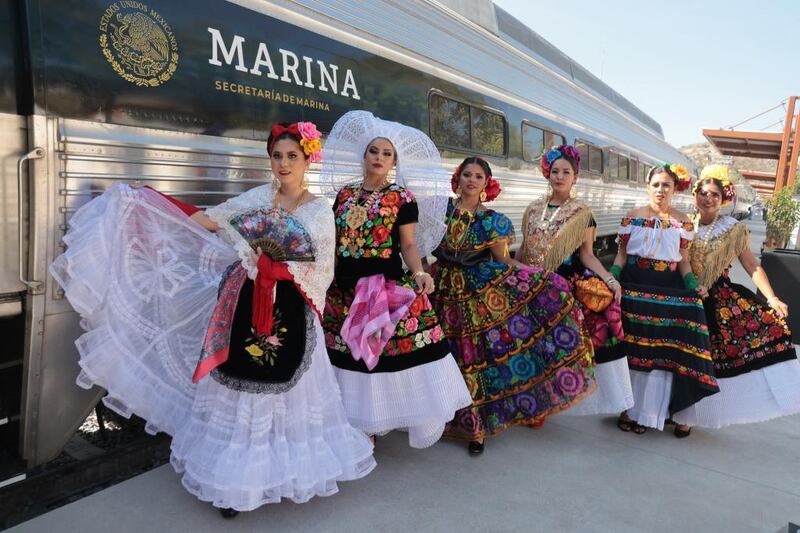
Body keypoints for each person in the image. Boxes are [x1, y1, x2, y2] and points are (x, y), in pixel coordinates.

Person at [50, 122, 375, 517]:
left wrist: (278, 268)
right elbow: (210, 219)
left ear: (308, 159)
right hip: (245, 302)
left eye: (292, 156)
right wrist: (150, 207)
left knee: (285, 392)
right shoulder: (260, 196)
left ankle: (283, 471)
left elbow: (321, 265)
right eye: (277, 156)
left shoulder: (318, 209)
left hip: (291, 308)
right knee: (241, 385)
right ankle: (238, 482)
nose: (284, 164)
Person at [321, 110, 472, 448]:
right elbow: (333, 240)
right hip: (343, 288)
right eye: (374, 151)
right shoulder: (344, 195)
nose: (379, 158)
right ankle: (354, 422)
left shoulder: (402, 198)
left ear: (394, 161)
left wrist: (418, 271)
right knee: (346, 359)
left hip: (380, 287)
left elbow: (407, 244)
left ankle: (371, 426)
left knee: (374, 359)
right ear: (364, 154)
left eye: (387, 154)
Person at [429, 156, 595, 454]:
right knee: (438, 354)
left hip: (472, 294)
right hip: (439, 288)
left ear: (486, 183)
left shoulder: (493, 220)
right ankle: (434, 417)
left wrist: (541, 277)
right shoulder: (439, 210)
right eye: (467, 174)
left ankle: (475, 429)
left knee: (470, 359)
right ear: (458, 177)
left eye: (478, 176)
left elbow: (503, 260)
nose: (471, 180)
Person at [671, 165, 800, 430]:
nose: (708, 198)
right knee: (674, 353)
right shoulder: (682, 222)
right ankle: (667, 407)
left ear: (724, 199)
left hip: (714, 299)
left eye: (714, 195)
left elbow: (752, 265)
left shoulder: (734, 230)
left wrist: (772, 298)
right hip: (681, 292)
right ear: (695, 194)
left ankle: (689, 415)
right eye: (703, 193)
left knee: (704, 357)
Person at [519, 145, 633, 416]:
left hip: (562, 286)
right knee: (529, 343)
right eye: (555, 171)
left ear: (575, 176)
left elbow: (588, 256)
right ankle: (531, 399)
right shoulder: (533, 209)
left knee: (557, 345)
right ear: (548, 174)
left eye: (566, 172)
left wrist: (609, 280)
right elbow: (524, 248)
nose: (559, 176)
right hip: (531, 283)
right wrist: (515, 274)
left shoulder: (583, 214)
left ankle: (552, 399)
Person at [609, 163, 718, 436]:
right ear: (648, 187)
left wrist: (693, 286)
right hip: (635, 284)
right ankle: (629, 409)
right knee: (635, 348)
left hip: (667, 287)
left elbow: (683, 261)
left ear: (674, 189)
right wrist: (611, 278)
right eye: (656, 184)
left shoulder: (683, 222)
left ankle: (656, 411)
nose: (660, 190)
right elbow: (621, 254)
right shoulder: (632, 217)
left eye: (666, 185)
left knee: (664, 348)